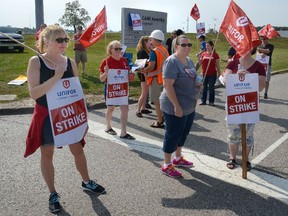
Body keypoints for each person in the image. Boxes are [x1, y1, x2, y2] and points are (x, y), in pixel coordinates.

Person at [25, 25, 105, 213]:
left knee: (78, 149)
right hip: (46, 114)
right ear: (46, 41)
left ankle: (87, 181)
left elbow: (76, 91)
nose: (63, 43)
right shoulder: (36, 62)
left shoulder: (70, 61)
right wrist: (56, 77)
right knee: (47, 154)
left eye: (65, 39)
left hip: (68, 113)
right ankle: (53, 193)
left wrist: (82, 113)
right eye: (59, 40)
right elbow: (34, 94)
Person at [160, 35, 202, 177]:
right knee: (173, 134)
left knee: (183, 133)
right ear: (176, 46)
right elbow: (167, 85)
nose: (187, 47)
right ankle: (167, 164)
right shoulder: (172, 61)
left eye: (189, 44)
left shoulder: (189, 60)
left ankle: (177, 158)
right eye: (183, 45)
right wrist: (176, 106)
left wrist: (197, 84)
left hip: (189, 105)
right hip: (174, 106)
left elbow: (191, 77)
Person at [223, 49, 266, 171]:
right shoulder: (232, 63)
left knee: (248, 135)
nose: (243, 50)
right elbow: (226, 81)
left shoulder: (258, 66)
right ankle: (232, 158)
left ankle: (245, 159)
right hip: (234, 103)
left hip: (250, 105)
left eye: (247, 47)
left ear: (251, 49)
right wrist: (234, 77)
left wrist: (250, 76)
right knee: (233, 133)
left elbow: (261, 86)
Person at [99, 40, 135, 140]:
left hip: (122, 89)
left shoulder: (124, 60)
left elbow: (128, 75)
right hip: (111, 89)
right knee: (111, 108)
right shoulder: (106, 61)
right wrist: (106, 73)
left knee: (125, 109)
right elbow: (101, 79)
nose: (119, 51)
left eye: (120, 48)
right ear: (111, 50)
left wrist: (131, 76)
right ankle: (108, 126)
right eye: (116, 49)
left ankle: (123, 132)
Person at [140, 30, 169, 128]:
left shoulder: (154, 51)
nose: (151, 41)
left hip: (156, 79)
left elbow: (151, 66)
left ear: (155, 39)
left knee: (156, 101)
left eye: (151, 39)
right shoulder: (164, 50)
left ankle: (159, 121)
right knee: (163, 100)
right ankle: (163, 117)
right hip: (164, 79)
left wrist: (144, 70)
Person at [196, 40, 221, 106]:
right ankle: (203, 101)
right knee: (203, 87)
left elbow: (218, 65)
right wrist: (198, 57)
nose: (207, 47)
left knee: (211, 88)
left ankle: (211, 101)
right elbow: (200, 63)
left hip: (212, 74)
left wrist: (219, 74)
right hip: (204, 74)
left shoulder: (215, 55)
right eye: (206, 46)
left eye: (208, 46)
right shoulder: (203, 54)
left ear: (212, 46)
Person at [135, 36, 153, 118]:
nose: (151, 42)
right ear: (145, 42)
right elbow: (141, 64)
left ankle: (143, 108)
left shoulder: (147, 51)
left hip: (146, 73)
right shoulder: (142, 52)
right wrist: (145, 74)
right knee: (144, 92)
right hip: (143, 73)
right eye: (149, 41)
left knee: (146, 92)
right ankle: (138, 110)